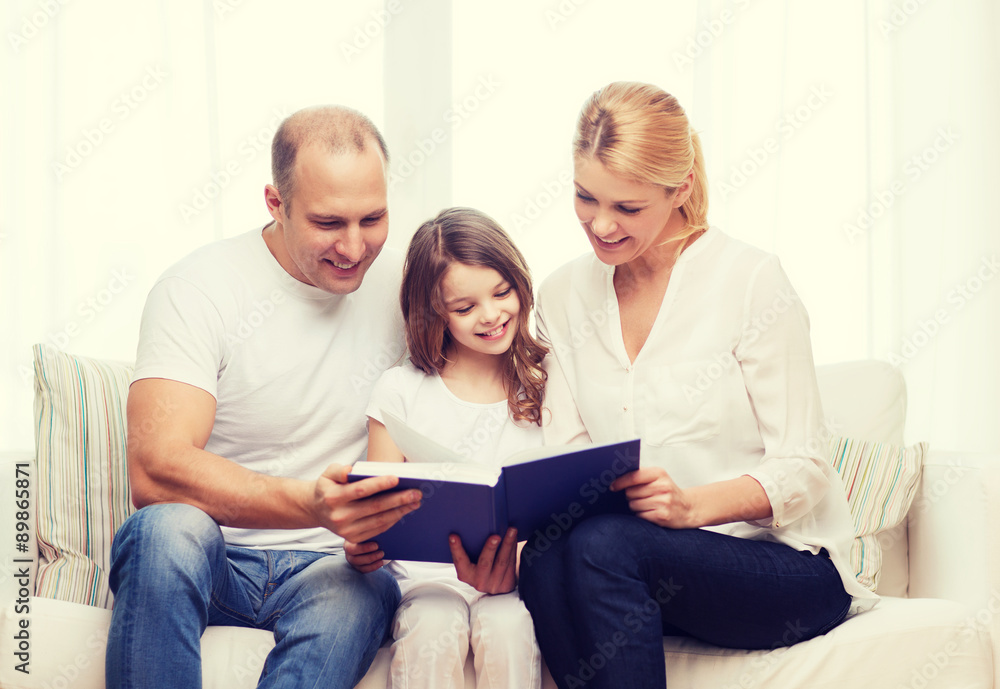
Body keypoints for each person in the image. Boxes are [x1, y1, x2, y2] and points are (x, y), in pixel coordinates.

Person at [517, 82, 879, 689]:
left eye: (627, 208)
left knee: (605, 545)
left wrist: (690, 506)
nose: (600, 225)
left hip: (786, 567)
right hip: (633, 562)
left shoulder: (750, 280)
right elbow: (571, 450)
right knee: (549, 552)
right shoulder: (562, 294)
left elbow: (806, 465)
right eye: (585, 197)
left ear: (680, 188)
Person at [106, 105, 423, 689]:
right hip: (214, 558)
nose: (354, 247)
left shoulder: (409, 285)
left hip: (337, 566)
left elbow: (480, 391)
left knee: (360, 590)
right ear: (275, 203)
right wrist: (310, 503)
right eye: (328, 223)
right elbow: (157, 471)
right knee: (165, 530)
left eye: (372, 219)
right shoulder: (199, 287)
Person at [345, 207, 547, 689]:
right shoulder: (401, 390)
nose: (492, 315)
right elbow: (372, 503)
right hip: (425, 581)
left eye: (502, 292)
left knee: (510, 624)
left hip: (513, 579)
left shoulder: (545, 383)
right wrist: (360, 545)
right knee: (433, 623)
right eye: (465, 308)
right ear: (434, 312)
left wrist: (516, 566)